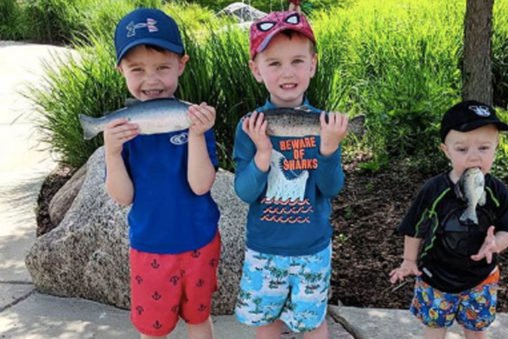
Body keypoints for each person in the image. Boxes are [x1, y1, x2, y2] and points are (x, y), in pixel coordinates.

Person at [232, 2, 348, 338]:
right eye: (275, 63)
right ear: (256, 69)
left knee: (312, 323)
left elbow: (331, 187)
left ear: (312, 65)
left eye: (298, 61)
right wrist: (263, 153)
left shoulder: (323, 123)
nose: (287, 73)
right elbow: (244, 191)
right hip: (264, 249)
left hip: (312, 249)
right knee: (266, 323)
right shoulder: (250, 126)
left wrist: (329, 148)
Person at [103, 8, 221, 339]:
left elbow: (201, 186)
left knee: (198, 318)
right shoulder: (123, 130)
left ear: (181, 65)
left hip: (199, 242)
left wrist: (197, 134)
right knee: (153, 330)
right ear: (121, 70)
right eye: (137, 69)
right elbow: (122, 196)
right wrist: (112, 152)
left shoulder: (193, 118)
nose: (151, 80)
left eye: (162, 67)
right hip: (149, 247)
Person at [389, 100, 508, 339]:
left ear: (496, 148)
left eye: (484, 148)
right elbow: (414, 227)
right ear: (445, 150)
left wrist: (496, 243)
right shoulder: (433, 190)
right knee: (435, 329)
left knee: (476, 331)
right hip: (436, 277)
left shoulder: (497, 191)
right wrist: (409, 260)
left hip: (481, 278)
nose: (473, 157)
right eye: (462, 149)